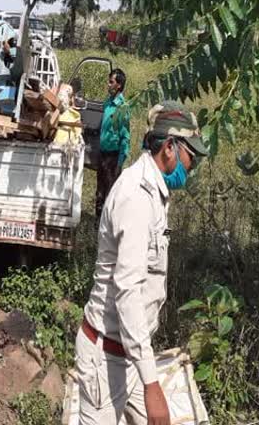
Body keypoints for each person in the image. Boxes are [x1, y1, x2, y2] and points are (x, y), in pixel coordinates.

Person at [76, 101, 208, 425]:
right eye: (191, 158)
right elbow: (127, 292)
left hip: (129, 354)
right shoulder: (136, 197)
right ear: (169, 148)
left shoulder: (155, 194)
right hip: (106, 360)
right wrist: (152, 383)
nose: (191, 169)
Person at [95, 68, 130, 219]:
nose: (108, 84)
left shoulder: (122, 107)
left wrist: (119, 163)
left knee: (111, 194)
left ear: (119, 86)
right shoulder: (107, 103)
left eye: (111, 82)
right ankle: (98, 223)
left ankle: (108, 225)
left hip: (113, 158)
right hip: (102, 155)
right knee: (100, 192)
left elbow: (125, 137)